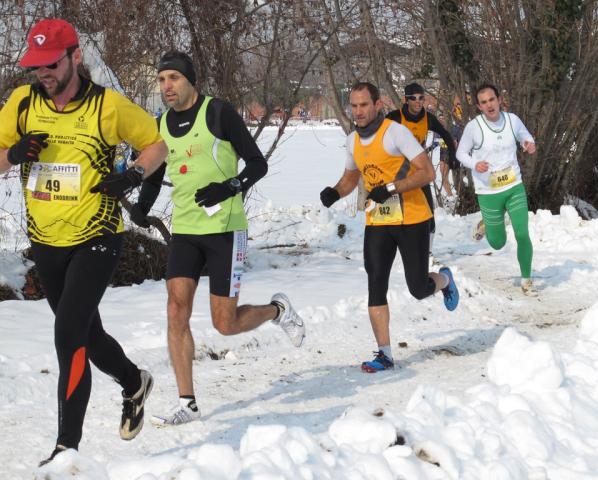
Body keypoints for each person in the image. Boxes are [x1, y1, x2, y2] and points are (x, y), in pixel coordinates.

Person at [0, 19, 167, 465]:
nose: (43, 74)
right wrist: (13, 155)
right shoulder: (21, 104)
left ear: (75, 57)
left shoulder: (106, 107)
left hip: (97, 236)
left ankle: (65, 449)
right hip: (46, 241)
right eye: (36, 66)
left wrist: (132, 173)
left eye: (51, 64)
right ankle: (134, 381)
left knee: (68, 331)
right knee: (87, 336)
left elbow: (156, 145)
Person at [128, 51, 305, 425]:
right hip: (186, 232)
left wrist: (230, 187)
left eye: (173, 78)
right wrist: (143, 205)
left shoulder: (218, 113)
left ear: (190, 79)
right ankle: (187, 402)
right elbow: (156, 172)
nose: (166, 87)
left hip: (226, 230)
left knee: (225, 324)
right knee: (176, 310)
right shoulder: (159, 124)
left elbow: (258, 162)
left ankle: (278, 311)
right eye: (161, 80)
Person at [320, 82, 459, 373]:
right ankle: (384, 354)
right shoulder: (352, 141)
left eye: (364, 105)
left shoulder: (395, 133)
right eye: (354, 106)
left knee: (419, 288)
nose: (358, 112)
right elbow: (350, 178)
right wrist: (334, 193)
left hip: (412, 219)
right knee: (375, 283)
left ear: (378, 105)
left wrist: (392, 187)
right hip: (379, 222)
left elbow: (427, 172)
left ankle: (444, 279)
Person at [456, 83, 536, 294]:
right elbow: (460, 153)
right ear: (479, 106)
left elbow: (526, 137)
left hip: (513, 186)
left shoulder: (512, 120)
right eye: (484, 102)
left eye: (492, 99)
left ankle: (527, 280)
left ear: (499, 99)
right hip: (488, 192)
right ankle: (486, 225)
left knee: (522, 233)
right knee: (498, 243)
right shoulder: (474, 127)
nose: (489, 105)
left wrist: (529, 144)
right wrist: (475, 164)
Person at [386, 83, 458, 243]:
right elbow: (377, 136)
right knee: (388, 217)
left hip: (419, 174)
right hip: (395, 174)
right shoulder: (394, 118)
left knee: (428, 215)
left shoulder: (428, 118)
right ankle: (393, 251)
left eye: (421, 98)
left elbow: (446, 135)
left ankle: (428, 253)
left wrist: (453, 157)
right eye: (414, 98)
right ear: (406, 99)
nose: (418, 102)